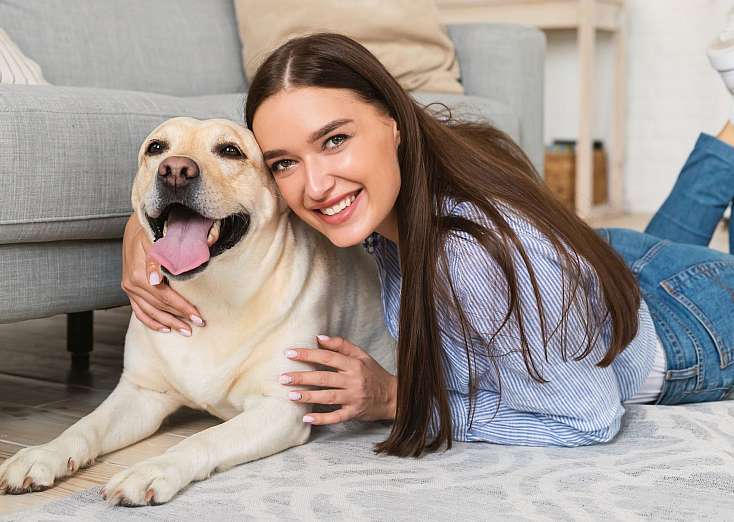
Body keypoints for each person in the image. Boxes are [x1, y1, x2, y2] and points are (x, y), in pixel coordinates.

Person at [121, 31, 734, 457]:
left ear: (391, 120)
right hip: (604, 261)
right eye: (284, 161)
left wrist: (397, 398)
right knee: (661, 242)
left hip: (685, 328)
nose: (314, 184)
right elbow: (220, 184)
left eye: (335, 140)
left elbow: (590, 415)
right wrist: (145, 237)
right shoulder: (375, 193)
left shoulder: (466, 258)